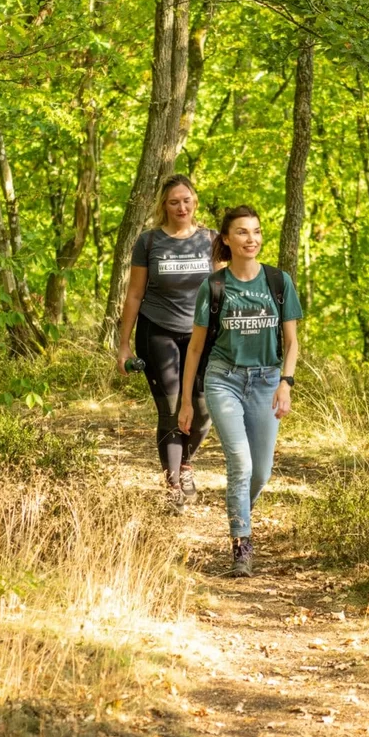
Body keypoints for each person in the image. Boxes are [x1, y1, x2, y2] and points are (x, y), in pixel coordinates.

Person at [178, 205, 302, 577]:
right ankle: (241, 548)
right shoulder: (214, 286)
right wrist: (186, 402)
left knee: (260, 473)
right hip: (223, 379)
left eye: (256, 231)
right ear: (227, 239)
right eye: (243, 232)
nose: (252, 239)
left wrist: (286, 383)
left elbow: (292, 343)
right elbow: (195, 348)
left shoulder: (278, 282)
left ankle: (238, 510)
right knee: (241, 464)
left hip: (266, 381)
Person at [115, 175, 218, 506]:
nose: (181, 207)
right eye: (174, 202)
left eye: (186, 200)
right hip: (157, 330)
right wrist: (123, 345)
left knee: (203, 410)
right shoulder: (149, 242)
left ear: (195, 202)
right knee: (171, 410)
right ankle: (173, 486)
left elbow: (225, 290)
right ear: (164, 205)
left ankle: (185, 463)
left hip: (202, 335)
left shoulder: (212, 240)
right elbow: (134, 294)